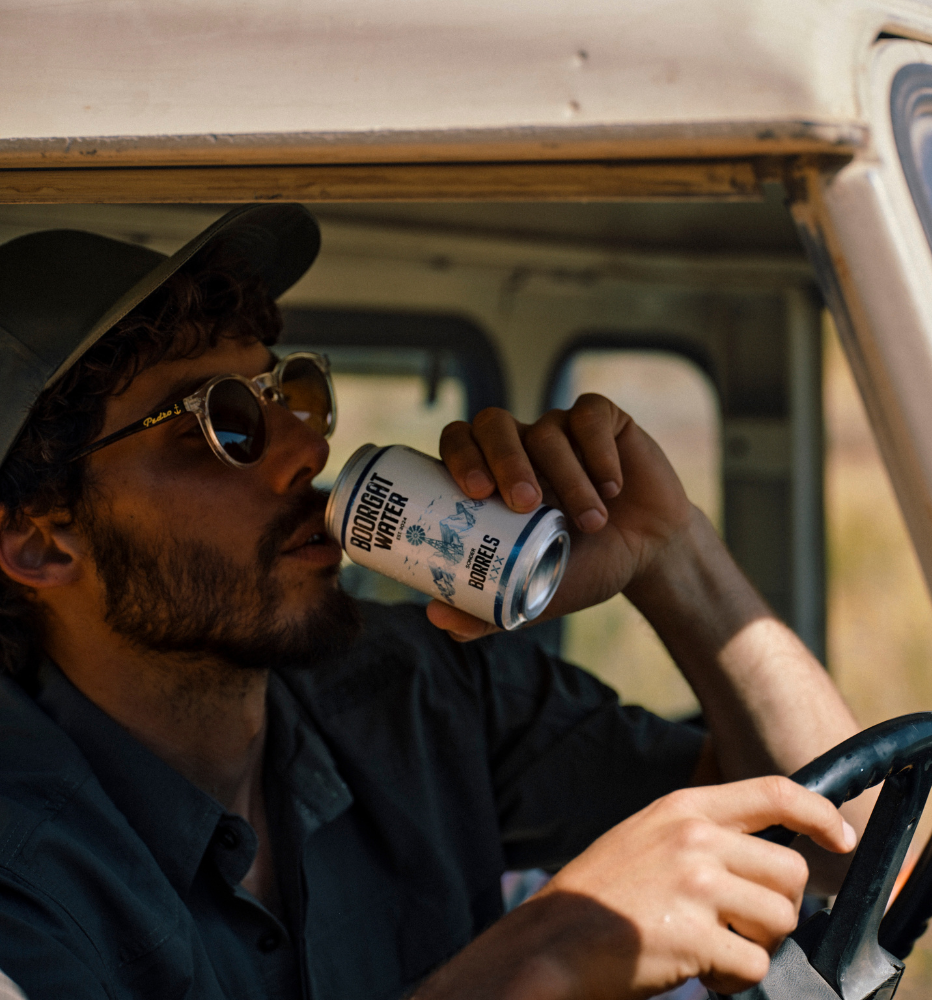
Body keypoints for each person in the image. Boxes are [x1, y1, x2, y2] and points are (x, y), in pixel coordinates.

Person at [0, 204, 868, 1000]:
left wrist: (672, 553)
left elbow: (848, 844)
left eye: (288, 391)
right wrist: (538, 960)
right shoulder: (23, 873)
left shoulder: (412, 684)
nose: (309, 444)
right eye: (225, 423)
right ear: (43, 540)